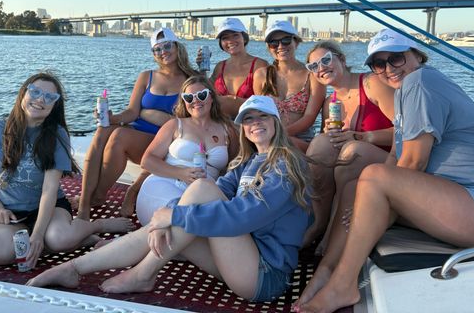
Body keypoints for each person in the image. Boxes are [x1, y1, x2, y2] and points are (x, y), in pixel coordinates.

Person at [28, 95, 311, 304]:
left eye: (262, 117)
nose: (255, 123)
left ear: (276, 122)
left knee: (200, 192)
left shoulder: (286, 163)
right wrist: (169, 215)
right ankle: (72, 268)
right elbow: (218, 192)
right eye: (248, 119)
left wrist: (174, 216)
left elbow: (245, 215)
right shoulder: (246, 162)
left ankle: (142, 273)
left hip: (265, 274)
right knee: (174, 222)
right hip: (241, 259)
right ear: (243, 129)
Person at [295, 28, 474, 313]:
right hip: (461, 200)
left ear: (416, 55)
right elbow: (395, 155)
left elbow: (413, 164)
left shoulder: (421, 81)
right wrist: (365, 198)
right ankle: (325, 270)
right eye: (379, 63)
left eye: (396, 58)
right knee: (356, 187)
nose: (388, 68)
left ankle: (343, 284)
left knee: (374, 178)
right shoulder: (405, 94)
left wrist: (373, 196)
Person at [0, 72, 133, 269]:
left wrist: (39, 236)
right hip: (8, 211)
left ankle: (95, 226)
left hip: (48, 208)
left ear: (54, 106)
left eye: (50, 97)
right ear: (24, 93)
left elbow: (49, 190)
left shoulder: (56, 135)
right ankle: (73, 241)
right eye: (35, 91)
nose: (41, 99)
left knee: (59, 238)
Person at [76, 28, 197, 220]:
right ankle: (85, 201)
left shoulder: (190, 80)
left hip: (163, 142)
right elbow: (132, 112)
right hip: (137, 133)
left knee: (119, 136)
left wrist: (150, 114)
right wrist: (110, 117)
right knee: (103, 130)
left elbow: (194, 118)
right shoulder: (146, 76)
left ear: (177, 46)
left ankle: (98, 196)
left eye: (167, 46)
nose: (163, 51)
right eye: (157, 49)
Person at [301, 40, 394, 248]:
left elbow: (408, 131)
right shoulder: (330, 103)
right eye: (313, 66)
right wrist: (330, 134)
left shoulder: (372, 84)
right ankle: (320, 222)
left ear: (341, 60)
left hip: (391, 160)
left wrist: (363, 137)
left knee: (353, 152)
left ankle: (333, 234)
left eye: (326, 60)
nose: (321, 68)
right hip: (352, 163)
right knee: (319, 147)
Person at [136, 75, 238, 226]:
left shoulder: (227, 130)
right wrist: (181, 173)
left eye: (201, 95)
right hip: (166, 185)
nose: (195, 101)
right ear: (184, 101)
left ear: (211, 97)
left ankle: (127, 245)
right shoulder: (175, 125)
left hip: (202, 193)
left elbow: (233, 168)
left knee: (203, 225)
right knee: (184, 220)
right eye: (189, 97)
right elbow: (147, 161)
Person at [253, 20, 325, 152]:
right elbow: (259, 113)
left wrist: (279, 135)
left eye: (286, 40)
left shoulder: (312, 75)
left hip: (300, 140)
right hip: (268, 138)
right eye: (274, 43)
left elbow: (309, 117)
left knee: (284, 145)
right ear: (269, 48)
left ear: (296, 42)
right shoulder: (261, 75)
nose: (280, 46)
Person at [207, 18, 267, 117]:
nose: (230, 41)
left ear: (244, 37)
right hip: (220, 125)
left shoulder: (259, 66)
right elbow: (206, 92)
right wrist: (202, 68)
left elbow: (263, 105)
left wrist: (230, 102)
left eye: (235, 35)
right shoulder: (220, 66)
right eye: (225, 38)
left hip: (248, 126)